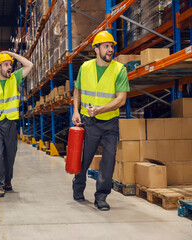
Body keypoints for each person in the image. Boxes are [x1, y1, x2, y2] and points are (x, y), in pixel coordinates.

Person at [71, 31, 130, 211]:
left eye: (112, 46)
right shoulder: (85, 67)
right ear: (96, 49)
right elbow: (77, 90)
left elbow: (121, 99)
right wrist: (75, 111)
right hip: (89, 122)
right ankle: (78, 185)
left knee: (109, 159)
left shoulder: (119, 70)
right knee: (85, 158)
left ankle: (101, 196)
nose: (110, 49)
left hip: (110, 122)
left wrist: (100, 110)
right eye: (106, 46)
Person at [0, 51, 33, 197]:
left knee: (10, 154)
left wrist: (11, 54)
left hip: (10, 123)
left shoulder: (15, 78)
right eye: (6, 64)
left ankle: (7, 180)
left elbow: (29, 65)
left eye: (11, 65)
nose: (10, 67)